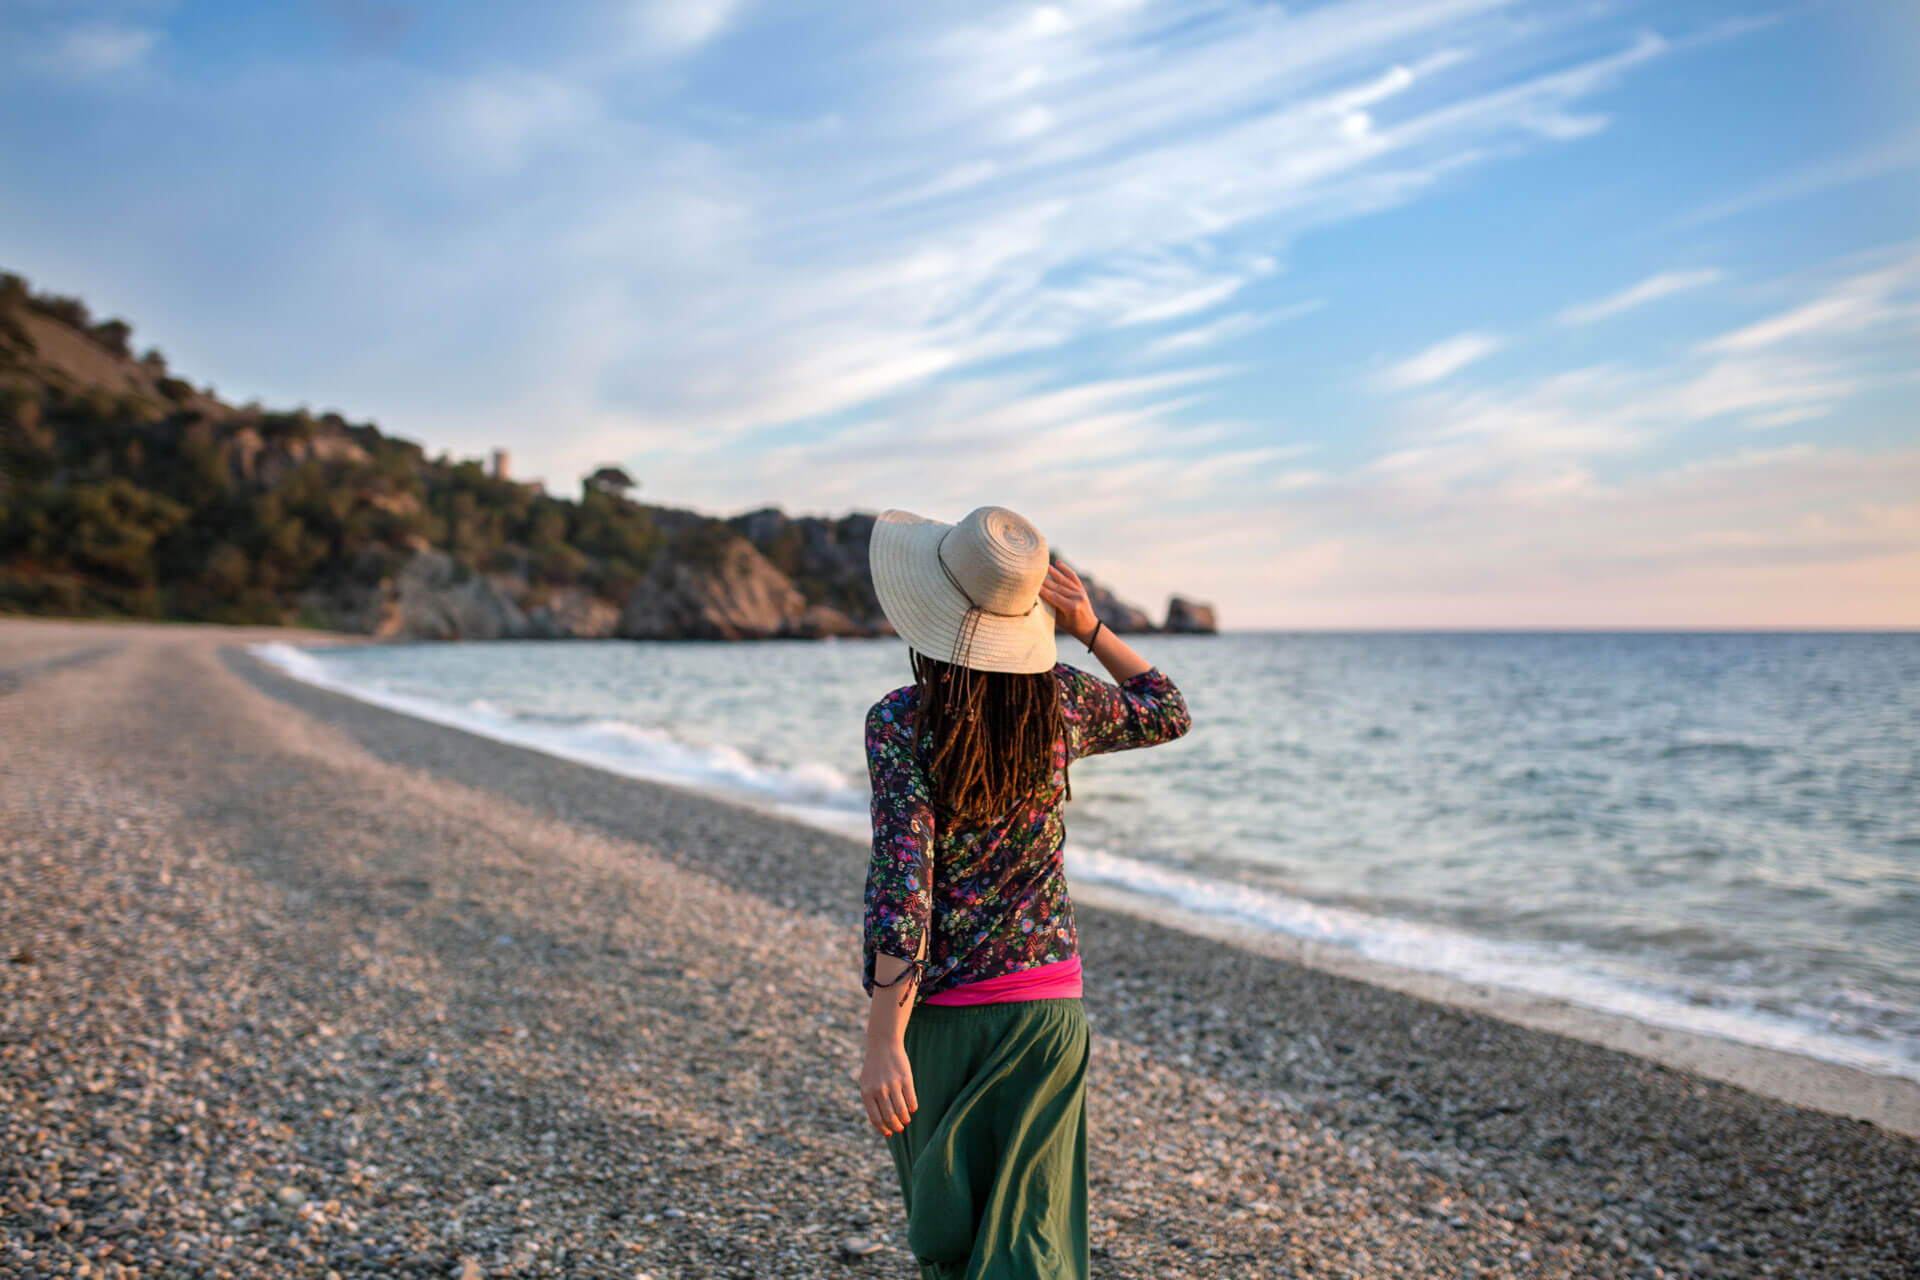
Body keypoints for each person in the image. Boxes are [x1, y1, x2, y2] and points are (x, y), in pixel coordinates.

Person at [857, 504, 1193, 1279]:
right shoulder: (1064, 700)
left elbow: (906, 883)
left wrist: (882, 1038)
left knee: (951, 1241)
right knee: (1032, 1246)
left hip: (943, 1018)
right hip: (1048, 1015)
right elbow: (1167, 710)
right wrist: (1090, 627)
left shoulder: (902, 721)